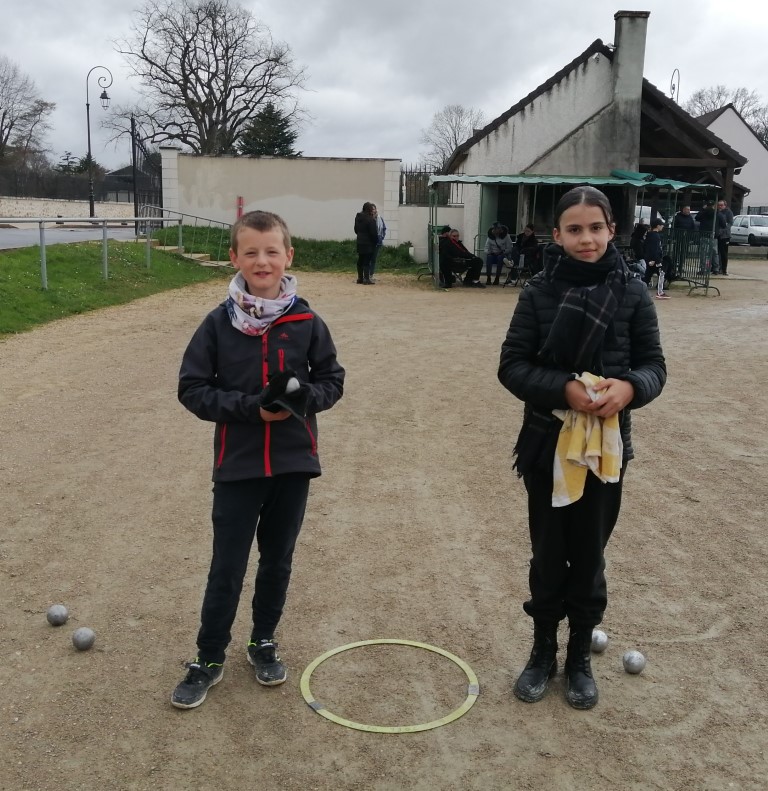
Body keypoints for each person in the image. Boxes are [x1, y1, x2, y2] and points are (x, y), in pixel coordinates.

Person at [498, 186, 666, 710]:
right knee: (549, 553)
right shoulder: (537, 292)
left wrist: (631, 387)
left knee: (589, 555)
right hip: (547, 445)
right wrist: (564, 389)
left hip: (606, 451)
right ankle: (542, 650)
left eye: (596, 228)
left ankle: (578, 658)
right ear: (558, 235)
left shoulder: (634, 293)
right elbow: (512, 366)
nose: (586, 238)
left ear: (612, 230)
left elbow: (654, 365)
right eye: (575, 229)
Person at [171, 210, 345, 709]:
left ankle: (262, 640)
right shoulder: (217, 324)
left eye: (272, 251)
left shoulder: (307, 321)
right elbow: (193, 390)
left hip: (293, 465)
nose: (262, 260)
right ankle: (208, 656)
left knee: (277, 561)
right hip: (239, 467)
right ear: (235, 258)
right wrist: (251, 410)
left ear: (288, 256)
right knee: (227, 565)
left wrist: (301, 398)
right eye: (251, 252)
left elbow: (333, 381)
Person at [642, 219, 672, 298]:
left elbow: (647, 248)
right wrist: (656, 260)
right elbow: (654, 249)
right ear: (658, 226)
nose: (662, 227)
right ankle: (660, 292)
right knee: (661, 274)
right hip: (655, 259)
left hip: (650, 259)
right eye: (661, 225)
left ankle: (642, 291)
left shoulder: (649, 235)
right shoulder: (655, 236)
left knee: (648, 275)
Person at [695, 201, 726, 275]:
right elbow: (724, 225)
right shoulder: (718, 213)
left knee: (704, 253)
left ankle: (704, 269)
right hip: (713, 235)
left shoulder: (704, 213)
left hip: (704, 234)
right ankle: (716, 269)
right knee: (714, 253)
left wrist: (703, 209)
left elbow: (697, 218)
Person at [354, 202, 378, 284]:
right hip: (368, 243)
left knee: (360, 260)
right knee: (367, 261)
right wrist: (376, 241)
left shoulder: (358, 218)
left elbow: (356, 230)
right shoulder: (371, 220)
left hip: (360, 242)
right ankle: (366, 279)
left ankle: (360, 278)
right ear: (369, 210)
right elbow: (373, 233)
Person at [369, 204, 387, 284]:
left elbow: (383, 228)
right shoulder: (368, 219)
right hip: (369, 242)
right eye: (372, 209)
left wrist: (381, 237)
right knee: (367, 259)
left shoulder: (380, 218)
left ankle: (371, 274)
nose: (374, 210)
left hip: (378, 242)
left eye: (374, 209)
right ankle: (366, 275)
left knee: (373, 259)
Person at [716, 199, 734, 275]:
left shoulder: (728, 212)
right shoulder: (717, 212)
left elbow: (730, 223)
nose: (720, 207)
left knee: (723, 253)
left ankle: (723, 269)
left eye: (721, 205)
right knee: (716, 252)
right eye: (718, 205)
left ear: (725, 205)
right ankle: (716, 268)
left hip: (725, 236)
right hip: (717, 235)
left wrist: (722, 230)